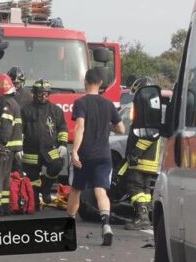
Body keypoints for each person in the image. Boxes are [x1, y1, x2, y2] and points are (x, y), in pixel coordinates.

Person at [67, 68, 125, 246]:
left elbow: (80, 128)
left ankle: (68, 225)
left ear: (85, 81)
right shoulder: (108, 105)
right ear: (101, 83)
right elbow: (122, 129)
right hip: (103, 155)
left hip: (85, 156)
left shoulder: (81, 103)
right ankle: (106, 224)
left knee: (76, 189)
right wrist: (109, 126)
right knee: (101, 190)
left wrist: (75, 150)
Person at [117, 77, 159, 230]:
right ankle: (145, 215)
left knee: (134, 186)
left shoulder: (147, 109)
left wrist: (135, 152)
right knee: (145, 189)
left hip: (142, 158)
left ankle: (142, 217)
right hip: (150, 159)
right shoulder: (153, 108)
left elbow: (149, 135)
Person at [21, 79, 68, 207]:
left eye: (46, 94)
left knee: (57, 165)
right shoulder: (26, 110)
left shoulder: (55, 110)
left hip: (50, 148)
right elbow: (20, 130)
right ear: (34, 94)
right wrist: (19, 147)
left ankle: (46, 188)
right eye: (40, 94)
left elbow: (62, 128)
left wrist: (63, 144)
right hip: (31, 150)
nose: (43, 96)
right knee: (33, 177)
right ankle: (34, 201)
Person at [0, 74, 23, 215]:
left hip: (2, 148)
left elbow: (5, 127)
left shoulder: (6, 105)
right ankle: (5, 206)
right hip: (10, 148)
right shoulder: (11, 102)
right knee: (5, 177)